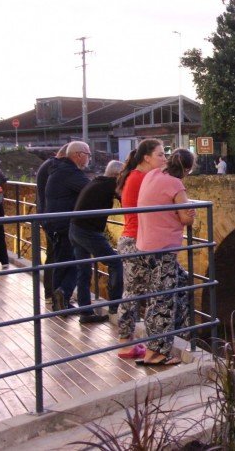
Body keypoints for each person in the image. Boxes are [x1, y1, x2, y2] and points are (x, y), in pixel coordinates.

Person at [134, 148, 196, 366]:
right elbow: (186, 218)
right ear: (187, 169)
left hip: (144, 246)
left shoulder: (153, 175)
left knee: (181, 282)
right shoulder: (176, 184)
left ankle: (177, 334)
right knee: (163, 301)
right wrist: (189, 213)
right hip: (163, 250)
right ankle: (157, 353)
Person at [115, 139, 167, 359]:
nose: (165, 159)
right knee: (135, 293)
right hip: (137, 241)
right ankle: (127, 344)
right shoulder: (141, 178)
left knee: (135, 292)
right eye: (161, 155)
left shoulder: (136, 177)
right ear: (147, 157)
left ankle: (128, 342)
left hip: (134, 239)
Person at [45, 141, 107, 323]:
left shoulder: (58, 169)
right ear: (78, 155)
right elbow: (91, 189)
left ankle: (60, 301)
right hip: (65, 225)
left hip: (56, 223)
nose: (89, 158)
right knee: (76, 263)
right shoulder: (69, 172)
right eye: (88, 154)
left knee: (62, 262)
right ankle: (63, 294)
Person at [69, 160, 123, 317]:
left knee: (84, 270)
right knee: (116, 263)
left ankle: (86, 312)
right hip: (88, 232)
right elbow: (126, 200)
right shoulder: (111, 184)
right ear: (117, 175)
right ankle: (114, 306)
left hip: (75, 228)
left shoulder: (98, 181)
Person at [36, 143, 69, 301]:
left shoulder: (47, 165)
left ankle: (53, 292)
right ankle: (52, 293)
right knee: (54, 255)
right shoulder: (54, 167)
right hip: (52, 218)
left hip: (45, 215)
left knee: (53, 254)